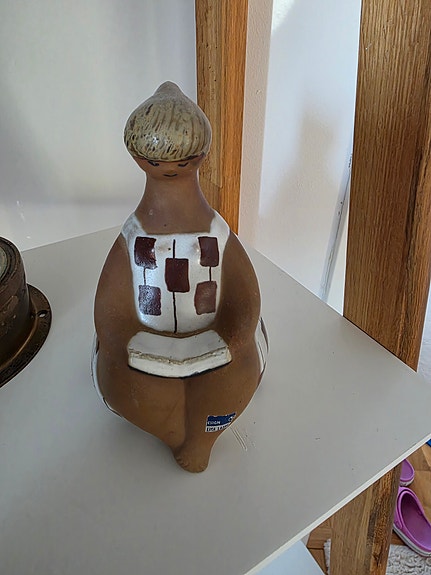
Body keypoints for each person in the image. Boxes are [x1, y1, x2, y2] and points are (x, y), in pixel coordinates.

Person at [94, 82, 267, 472]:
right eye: (156, 162)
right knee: (135, 382)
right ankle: (177, 437)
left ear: (199, 157)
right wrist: (120, 340)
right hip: (147, 342)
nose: (169, 168)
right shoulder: (134, 235)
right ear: (140, 160)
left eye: (182, 161)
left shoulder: (215, 232)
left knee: (228, 378)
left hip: (214, 340)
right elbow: (110, 307)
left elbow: (245, 295)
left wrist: (236, 336)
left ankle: (200, 440)